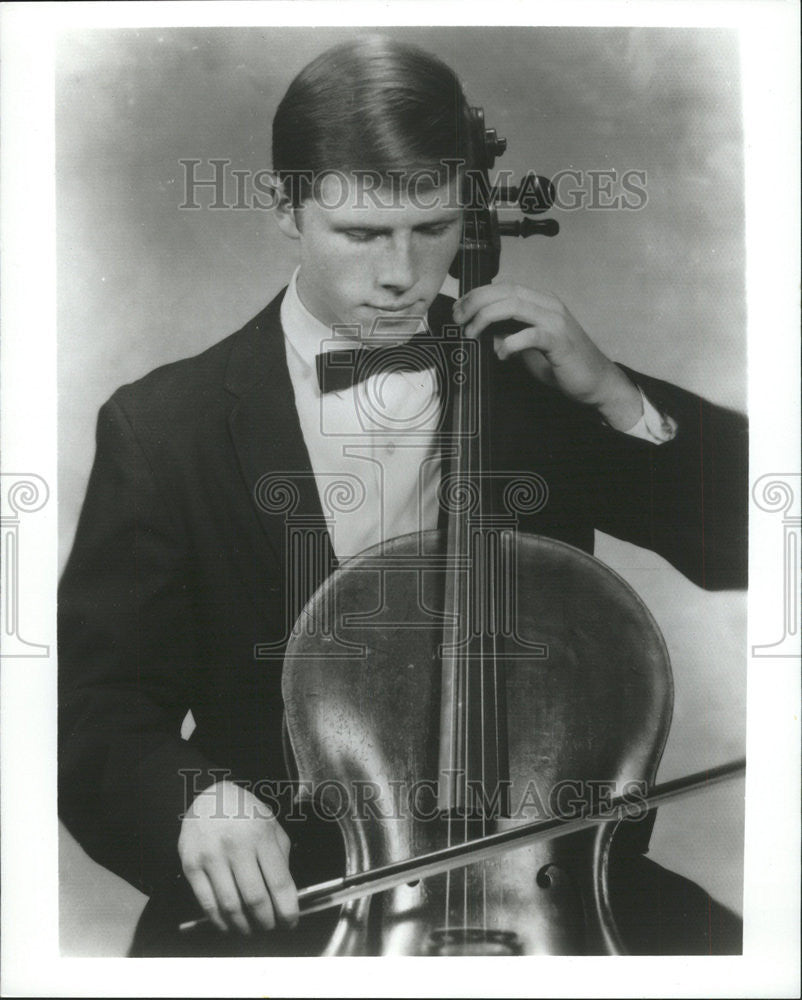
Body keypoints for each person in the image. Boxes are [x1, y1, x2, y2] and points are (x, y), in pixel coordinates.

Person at [58, 36, 747, 956]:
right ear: (285, 209)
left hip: (553, 887)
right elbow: (93, 709)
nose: (403, 274)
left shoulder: (537, 385)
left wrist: (617, 396)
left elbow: (749, 542)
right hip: (302, 899)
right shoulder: (164, 428)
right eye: (362, 234)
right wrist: (191, 800)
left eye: (434, 229)